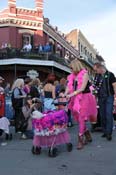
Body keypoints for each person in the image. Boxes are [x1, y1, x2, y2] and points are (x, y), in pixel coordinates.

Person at [65, 59, 97, 150]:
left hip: (85, 98)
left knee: (81, 117)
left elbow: (82, 88)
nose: (71, 70)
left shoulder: (85, 74)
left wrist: (71, 94)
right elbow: (69, 86)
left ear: (76, 66)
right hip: (75, 98)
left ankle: (80, 139)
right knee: (77, 118)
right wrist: (65, 93)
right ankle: (87, 134)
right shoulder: (71, 76)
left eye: (71, 68)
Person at [93, 62, 116, 141]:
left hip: (109, 97)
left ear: (100, 68)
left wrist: (115, 98)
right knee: (102, 115)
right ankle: (105, 131)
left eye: (96, 70)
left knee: (108, 114)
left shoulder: (110, 75)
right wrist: (95, 98)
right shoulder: (97, 76)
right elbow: (95, 88)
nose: (95, 72)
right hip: (100, 98)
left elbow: (114, 86)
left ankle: (109, 133)